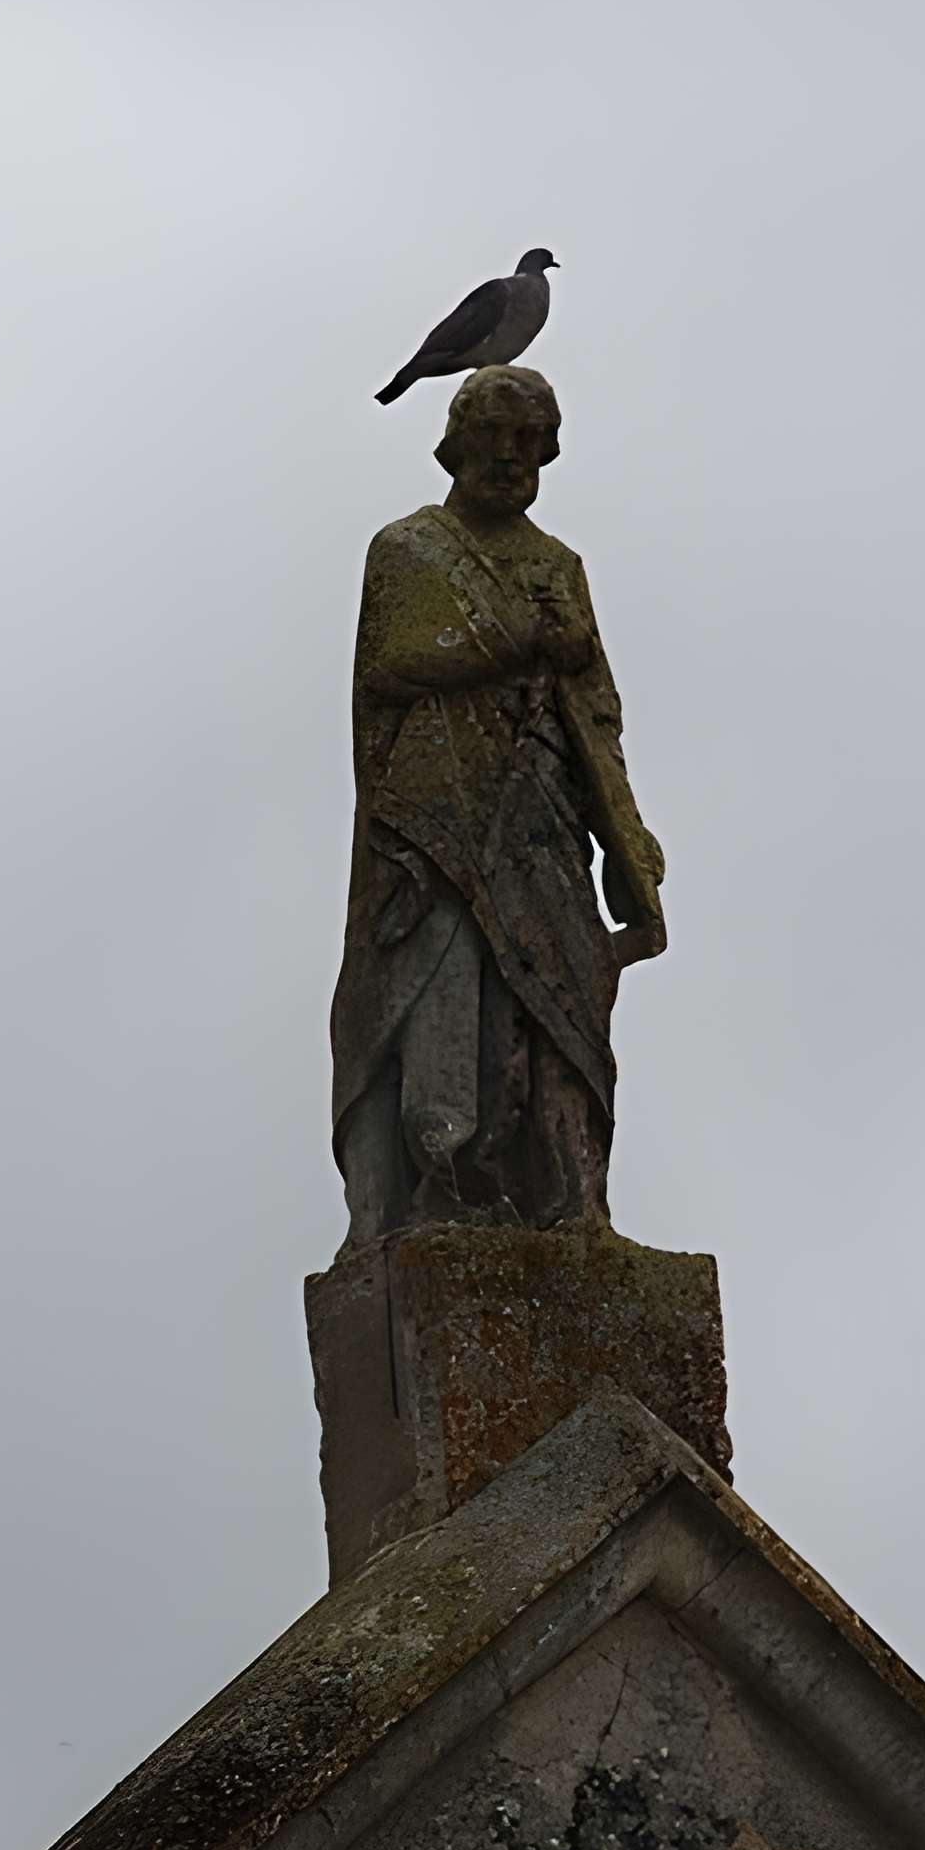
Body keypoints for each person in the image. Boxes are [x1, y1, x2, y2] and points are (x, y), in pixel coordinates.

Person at [331, 364, 665, 1240]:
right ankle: (443, 1180)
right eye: (495, 436)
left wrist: (627, 833)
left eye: (531, 441)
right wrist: (523, 642)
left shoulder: (559, 568)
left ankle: (572, 1200)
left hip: (541, 823)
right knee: (440, 989)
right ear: (457, 443)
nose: (512, 457)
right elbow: (392, 664)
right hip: (435, 820)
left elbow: (595, 711)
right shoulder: (409, 549)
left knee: (562, 1002)